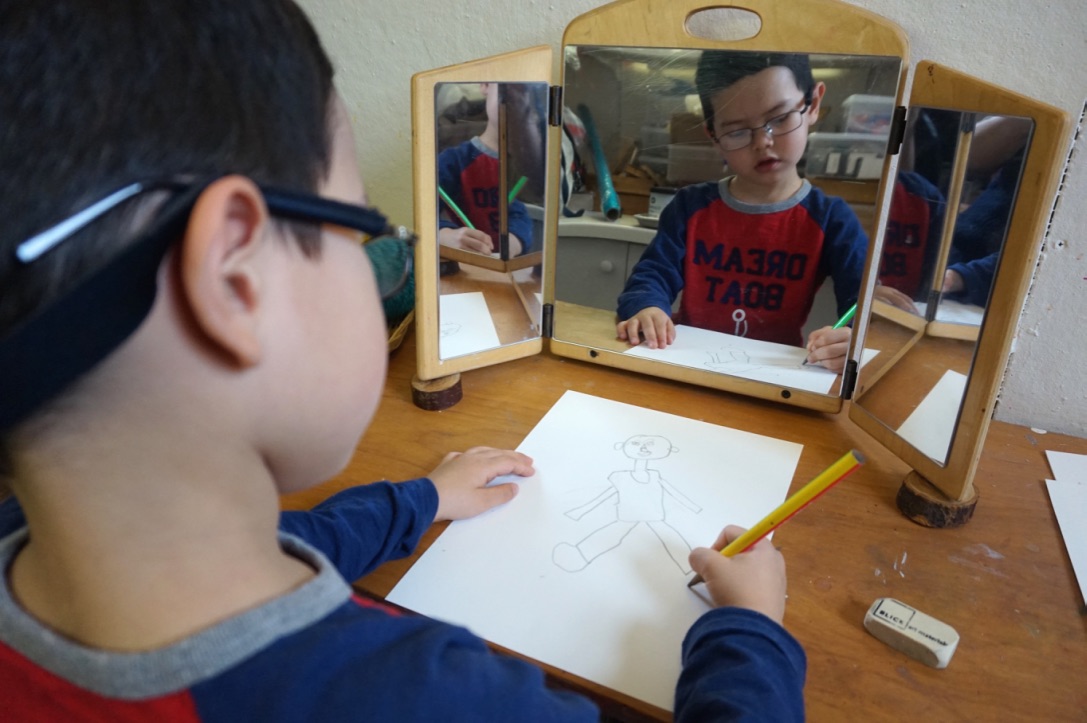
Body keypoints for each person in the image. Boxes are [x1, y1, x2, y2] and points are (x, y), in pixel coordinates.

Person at [0, 2, 804, 720]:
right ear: (235, 278)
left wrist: (415, 501)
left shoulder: (43, 541)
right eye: (363, 229)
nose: (381, 253)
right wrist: (748, 633)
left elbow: (278, 538)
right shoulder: (432, 698)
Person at [616, 50, 869, 373]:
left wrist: (852, 337)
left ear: (813, 105)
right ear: (714, 137)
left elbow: (863, 305)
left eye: (779, 119)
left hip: (775, 374)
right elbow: (651, 275)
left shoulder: (832, 219)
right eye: (737, 131)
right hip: (687, 364)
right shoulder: (689, 207)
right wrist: (646, 306)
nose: (763, 143)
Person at [437, 83, 533, 258]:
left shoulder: (528, 164)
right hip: (463, 266)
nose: (516, 101)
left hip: (506, 268)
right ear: (486, 86)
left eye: (525, 93)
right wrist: (445, 236)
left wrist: (514, 242)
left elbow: (520, 215)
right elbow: (424, 218)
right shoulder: (453, 161)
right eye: (509, 90)